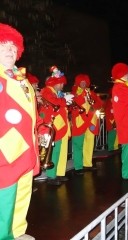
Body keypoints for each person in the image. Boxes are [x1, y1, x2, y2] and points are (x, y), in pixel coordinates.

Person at [0, 23, 45, 240]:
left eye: (13, 46)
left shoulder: (22, 80)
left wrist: (39, 131)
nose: (9, 50)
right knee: (5, 198)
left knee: (22, 193)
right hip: (5, 151)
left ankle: (17, 232)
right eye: (3, 45)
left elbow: (29, 114)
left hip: (26, 148)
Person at [39, 67, 73, 185]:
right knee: (54, 151)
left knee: (61, 151)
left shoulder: (57, 92)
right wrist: (64, 100)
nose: (62, 86)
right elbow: (54, 102)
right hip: (53, 125)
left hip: (60, 125)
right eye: (61, 84)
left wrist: (66, 102)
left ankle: (59, 173)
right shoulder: (46, 91)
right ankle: (51, 176)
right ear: (55, 83)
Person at [71, 74, 103, 174]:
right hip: (80, 122)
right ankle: (78, 166)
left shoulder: (91, 92)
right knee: (78, 145)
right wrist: (82, 97)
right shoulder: (74, 93)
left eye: (85, 82)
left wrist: (93, 104)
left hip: (91, 122)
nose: (84, 84)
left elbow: (100, 104)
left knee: (89, 144)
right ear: (78, 83)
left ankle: (87, 164)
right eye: (82, 82)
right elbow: (72, 106)